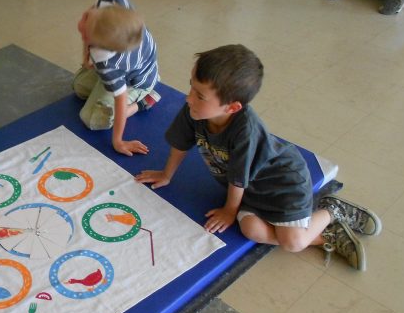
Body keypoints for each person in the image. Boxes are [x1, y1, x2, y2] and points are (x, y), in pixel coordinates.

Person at [136, 44, 382, 271]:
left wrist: (230, 211)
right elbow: (180, 143)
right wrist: (166, 174)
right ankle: (327, 236)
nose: (189, 97)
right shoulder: (195, 110)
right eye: (191, 86)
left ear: (232, 108)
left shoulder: (246, 131)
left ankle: (331, 209)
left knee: (293, 243)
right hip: (252, 193)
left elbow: (238, 179)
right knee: (251, 230)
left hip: (283, 184)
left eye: (200, 95)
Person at [73, 0, 160, 156]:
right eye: (86, 17)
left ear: (101, 47)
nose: (80, 25)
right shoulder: (114, 2)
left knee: (92, 119)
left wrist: (118, 142)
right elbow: (92, 13)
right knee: (78, 87)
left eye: (86, 35)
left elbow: (120, 99)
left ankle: (143, 100)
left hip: (135, 80)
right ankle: (107, 86)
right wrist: (86, 51)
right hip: (126, 64)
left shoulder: (107, 63)